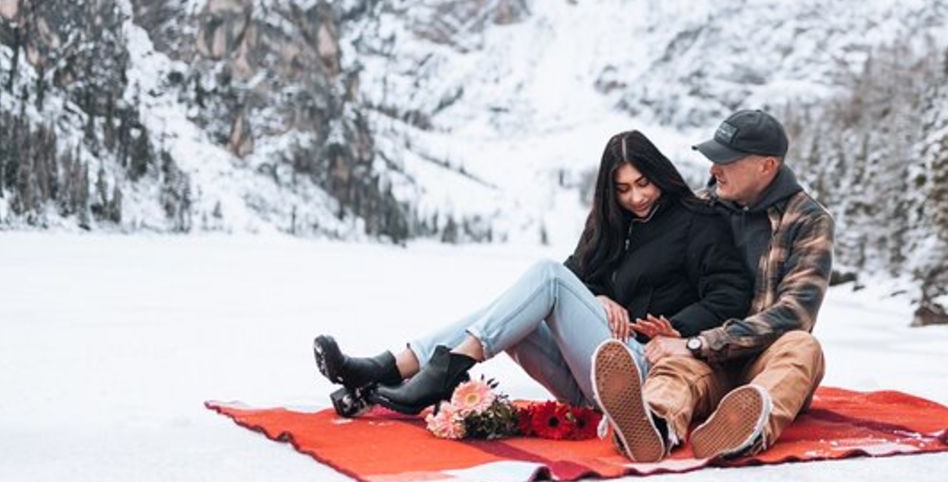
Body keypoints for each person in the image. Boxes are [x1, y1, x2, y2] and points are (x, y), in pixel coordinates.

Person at [313, 130, 752, 419]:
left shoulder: (698, 220)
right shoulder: (611, 226)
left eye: (643, 183)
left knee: (542, 277)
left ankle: (433, 368)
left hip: (638, 374)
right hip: (585, 383)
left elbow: (732, 294)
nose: (636, 197)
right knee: (514, 314)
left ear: (660, 176)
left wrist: (676, 332)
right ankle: (383, 371)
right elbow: (572, 278)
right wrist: (597, 298)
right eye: (622, 189)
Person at [592, 109, 834, 462]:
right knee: (674, 373)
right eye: (712, 158)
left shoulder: (808, 221)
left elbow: (795, 313)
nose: (712, 169)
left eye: (725, 160)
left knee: (803, 347)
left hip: (762, 358)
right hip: (704, 358)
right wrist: (669, 328)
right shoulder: (701, 208)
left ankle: (747, 425)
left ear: (767, 166)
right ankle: (651, 424)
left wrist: (699, 341)